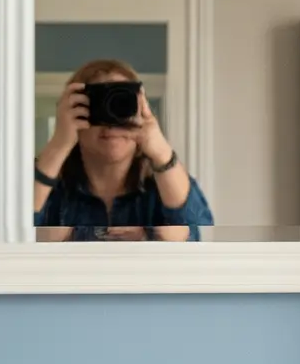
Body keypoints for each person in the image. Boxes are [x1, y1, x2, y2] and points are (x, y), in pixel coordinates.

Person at [33, 58, 213, 242]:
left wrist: (160, 151)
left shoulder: (162, 187)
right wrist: (59, 143)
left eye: (122, 104)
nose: (111, 122)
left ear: (141, 110)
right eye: (98, 105)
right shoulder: (49, 189)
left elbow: (199, 238)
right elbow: (9, 232)